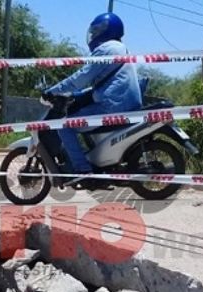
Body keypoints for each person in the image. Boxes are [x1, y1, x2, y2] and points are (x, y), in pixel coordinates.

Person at [44, 12, 142, 174]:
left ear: (107, 30)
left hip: (113, 106)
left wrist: (53, 91)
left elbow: (81, 77)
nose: (94, 35)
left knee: (65, 126)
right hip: (125, 103)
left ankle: (82, 169)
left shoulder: (106, 48)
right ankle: (92, 160)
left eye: (96, 31)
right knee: (79, 115)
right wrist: (76, 95)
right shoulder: (120, 48)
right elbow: (106, 83)